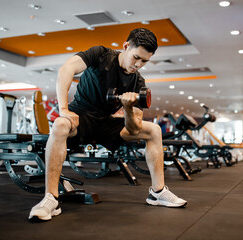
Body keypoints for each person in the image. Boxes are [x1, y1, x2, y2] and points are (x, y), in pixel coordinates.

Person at [29, 28, 187, 222]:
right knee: (60, 125)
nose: (138, 65)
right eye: (136, 57)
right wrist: (64, 110)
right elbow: (66, 69)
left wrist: (128, 108)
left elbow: (134, 129)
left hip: (105, 122)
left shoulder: (138, 82)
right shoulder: (100, 54)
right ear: (126, 46)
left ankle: (158, 192)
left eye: (144, 61)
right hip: (81, 116)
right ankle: (50, 198)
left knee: (153, 130)